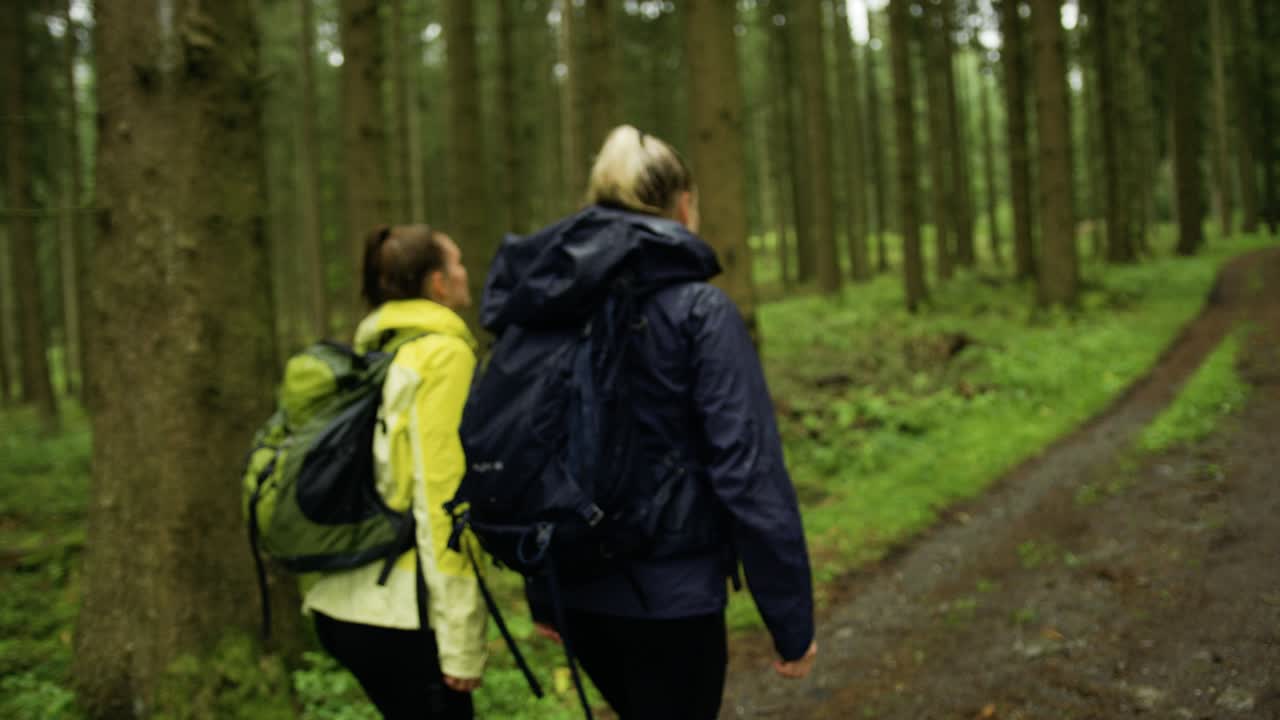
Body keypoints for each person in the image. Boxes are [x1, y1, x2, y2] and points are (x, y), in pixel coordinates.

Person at [479, 125, 817, 719]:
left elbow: (529, 447)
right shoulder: (699, 310)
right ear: (682, 203)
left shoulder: (552, 305)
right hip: (672, 597)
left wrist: (544, 594)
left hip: (578, 588)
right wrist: (789, 618)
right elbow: (747, 471)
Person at [303, 224, 486, 719]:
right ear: (437, 284)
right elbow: (442, 498)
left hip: (347, 600)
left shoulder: (375, 354)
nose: (467, 272)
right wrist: (461, 636)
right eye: (458, 263)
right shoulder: (443, 356)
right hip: (405, 613)